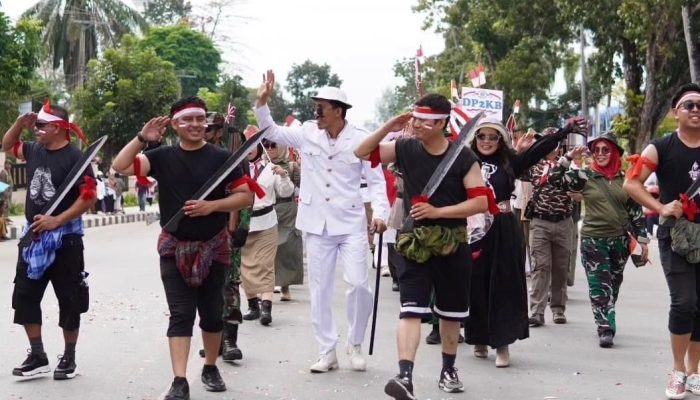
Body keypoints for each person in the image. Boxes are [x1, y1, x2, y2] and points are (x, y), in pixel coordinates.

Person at [112, 96, 254, 400]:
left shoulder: (221, 158)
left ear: (207, 122)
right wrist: (141, 139)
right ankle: (180, 380)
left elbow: (244, 197)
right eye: (187, 120)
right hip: (174, 247)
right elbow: (120, 165)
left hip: (215, 247)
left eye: (200, 119)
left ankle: (210, 366)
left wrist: (211, 206)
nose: (195, 125)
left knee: (213, 313)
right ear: (175, 125)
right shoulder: (161, 157)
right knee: (180, 314)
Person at [355, 93, 490, 398]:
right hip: (414, 242)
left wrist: (438, 212)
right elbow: (362, 152)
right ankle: (405, 375)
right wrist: (391, 123)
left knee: (450, 313)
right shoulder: (405, 148)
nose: (415, 125)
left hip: (452, 244)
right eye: (414, 119)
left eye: (423, 121)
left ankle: (449, 368)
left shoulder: (464, 158)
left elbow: (480, 202)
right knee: (410, 309)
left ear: (442, 123)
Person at [255, 70, 389, 373]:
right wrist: (262, 103)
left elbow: (377, 181)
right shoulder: (307, 132)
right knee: (320, 289)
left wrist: (380, 213)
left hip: (351, 222)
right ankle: (326, 350)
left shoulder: (362, 138)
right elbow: (271, 131)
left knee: (359, 284)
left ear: (338, 111)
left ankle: (354, 343)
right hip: (316, 223)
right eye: (315, 107)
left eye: (322, 108)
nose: (316, 112)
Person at [464, 117, 586, 368]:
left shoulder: (510, 163)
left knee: (504, 285)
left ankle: (502, 344)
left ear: (501, 140)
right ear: (475, 139)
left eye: (492, 137)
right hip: (474, 229)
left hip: (503, 228)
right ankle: (479, 338)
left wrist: (564, 131)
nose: (486, 141)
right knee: (476, 283)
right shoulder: (466, 162)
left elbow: (538, 150)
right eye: (481, 136)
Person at [2, 100, 96, 380]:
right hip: (33, 239)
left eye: (41, 126)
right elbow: (8, 145)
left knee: (70, 299)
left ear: (57, 128)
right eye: (36, 126)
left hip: (66, 241)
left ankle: (69, 357)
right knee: (24, 296)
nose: (36, 130)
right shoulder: (33, 150)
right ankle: (37, 353)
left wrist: (58, 220)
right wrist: (19, 123)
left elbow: (88, 197)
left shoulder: (77, 159)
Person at [623, 83, 700, 400]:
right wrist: (659, 207)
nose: (695, 110)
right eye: (689, 105)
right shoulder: (661, 147)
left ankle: (695, 373)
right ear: (675, 112)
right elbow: (631, 183)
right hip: (676, 235)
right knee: (684, 302)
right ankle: (678, 370)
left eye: (699, 105)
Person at [549, 132, 649, 348]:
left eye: (605, 150)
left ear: (614, 153)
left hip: (620, 242)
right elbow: (554, 179)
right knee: (599, 287)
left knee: (613, 285)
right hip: (593, 241)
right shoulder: (585, 176)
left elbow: (636, 211)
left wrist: (643, 240)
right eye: (596, 150)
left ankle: (607, 317)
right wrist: (568, 157)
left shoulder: (627, 180)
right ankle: (605, 328)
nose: (600, 154)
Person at [239, 126, 295, 326]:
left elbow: (286, 192)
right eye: (246, 146)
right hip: (244, 223)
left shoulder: (270, 167)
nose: (250, 149)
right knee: (244, 266)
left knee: (265, 265)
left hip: (266, 223)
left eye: (254, 145)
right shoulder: (237, 168)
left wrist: (283, 175)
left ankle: (266, 307)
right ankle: (252, 304)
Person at [523, 128, 578, 327]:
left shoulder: (571, 166)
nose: (548, 146)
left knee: (561, 268)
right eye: (543, 142)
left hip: (563, 222)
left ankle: (558, 308)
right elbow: (512, 167)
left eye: (551, 142)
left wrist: (579, 192)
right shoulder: (534, 166)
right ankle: (536, 311)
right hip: (540, 222)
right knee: (540, 266)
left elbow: (580, 190)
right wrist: (520, 149)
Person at [265, 137, 303, 301]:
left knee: (287, 248)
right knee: (268, 247)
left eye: (273, 145)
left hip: (287, 209)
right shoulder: (262, 166)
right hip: (268, 208)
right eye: (266, 145)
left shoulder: (293, 165)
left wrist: (285, 178)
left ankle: (285, 286)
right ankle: (269, 284)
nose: (270, 149)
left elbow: (301, 187)